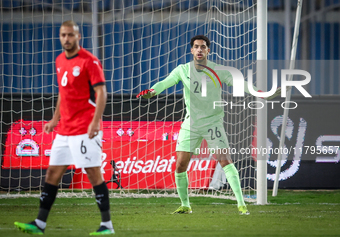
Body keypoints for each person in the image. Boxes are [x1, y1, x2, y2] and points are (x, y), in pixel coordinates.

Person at [137, 35, 280, 215]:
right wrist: (152, 91)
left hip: (213, 123)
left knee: (225, 161)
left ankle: (242, 205)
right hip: (191, 123)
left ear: (208, 50)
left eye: (202, 47)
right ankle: (185, 205)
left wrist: (262, 93)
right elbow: (164, 83)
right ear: (191, 50)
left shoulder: (218, 70)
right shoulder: (182, 70)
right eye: (196, 47)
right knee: (180, 164)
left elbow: (240, 83)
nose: (199, 50)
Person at [14, 21, 114, 235]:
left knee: (93, 173)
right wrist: (54, 119)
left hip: (85, 127)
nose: (66, 39)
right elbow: (63, 93)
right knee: (52, 173)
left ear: (78, 37)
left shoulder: (89, 61)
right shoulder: (59, 60)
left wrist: (95, 122)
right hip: (65, 129)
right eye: (63, 35)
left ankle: (107, 225)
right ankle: (39, 223)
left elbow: (102, 93)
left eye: (70, 35)